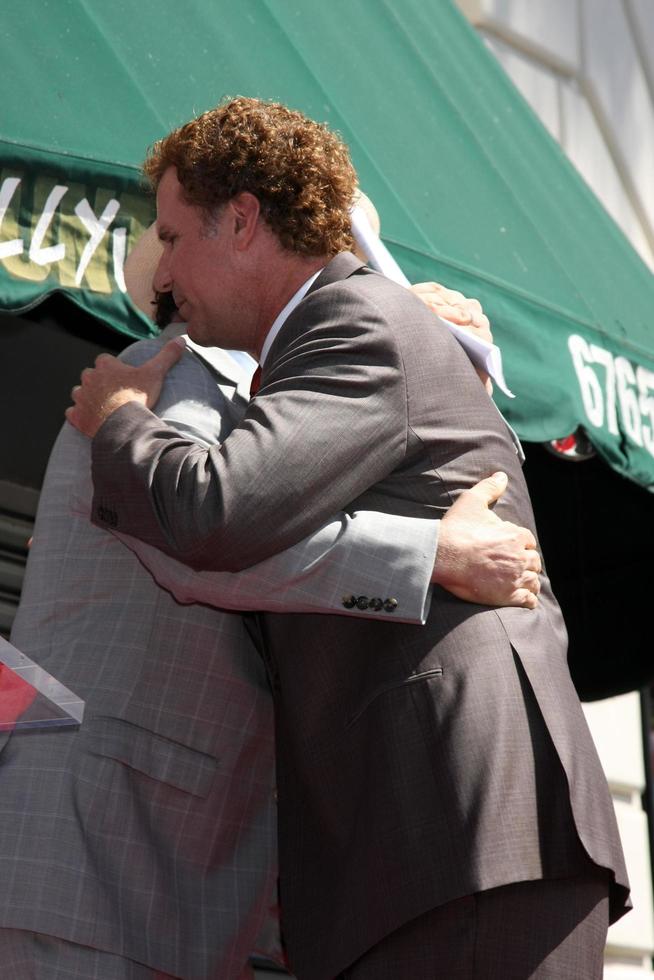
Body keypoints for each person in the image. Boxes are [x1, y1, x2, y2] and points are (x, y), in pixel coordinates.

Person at [68, 97, 629, 980]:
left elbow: (211, 511)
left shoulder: (354, 321)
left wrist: (120, 419)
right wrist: (425, 553)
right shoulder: (348, 330)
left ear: (243, 220)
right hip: (437, 844)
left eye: (173, 237)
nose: (166, 275)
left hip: (459, 832)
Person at [0, 226, 529, 980]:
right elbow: (203, 541)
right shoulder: (188, 372)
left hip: (136, 863)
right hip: (99, 858)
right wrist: (431, 555)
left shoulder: (229, 390)